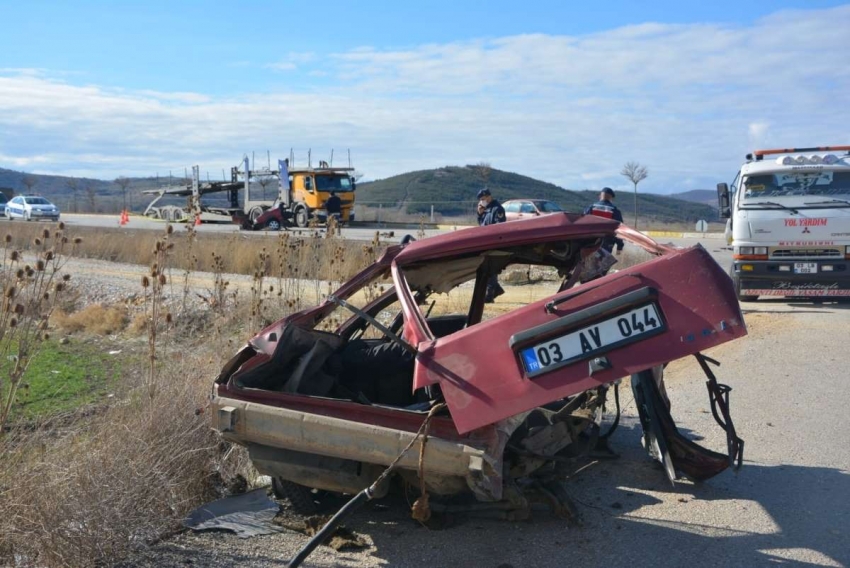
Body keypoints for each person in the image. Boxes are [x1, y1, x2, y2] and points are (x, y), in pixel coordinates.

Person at [476, 188, 506, 302]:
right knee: (487, 268)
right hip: (485, 243)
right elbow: (482, 225)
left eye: (483, 199)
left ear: (489, 197)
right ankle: (496, 290)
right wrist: (480, 214)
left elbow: (499, 227)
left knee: (490, 268)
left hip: (493, 243)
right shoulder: (486, 209)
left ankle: (490, 294)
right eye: (480, 200)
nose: (481, 202)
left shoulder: (497, 209)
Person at [583, 187, 624, 255]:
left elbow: (582, 225)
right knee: (601, 264)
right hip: (607, 244)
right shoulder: (614, 211)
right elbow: (618, 230)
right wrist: (620, 246)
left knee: (587, 264)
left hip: (590, 243)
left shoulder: (591, 208)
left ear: (600, 196)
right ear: (611, 198)